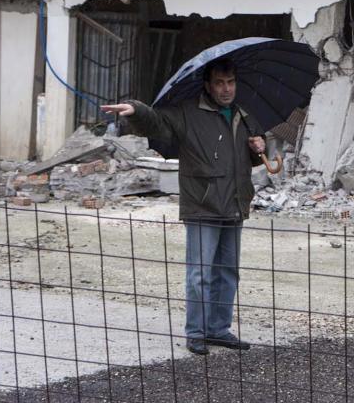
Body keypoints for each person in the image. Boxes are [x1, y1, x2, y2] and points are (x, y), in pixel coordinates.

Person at [101, 57, 264, 356]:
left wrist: (258, 149)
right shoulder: (188, 112)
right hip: (203, 203)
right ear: (208, 85)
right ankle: (197, 332)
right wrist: (136, 109)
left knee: (228, 272)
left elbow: (248, 158)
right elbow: (157, 122)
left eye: (230, 83)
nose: (226, 89)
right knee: (200, 273)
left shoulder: (243, 115)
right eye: (219, 83)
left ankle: (219, 329)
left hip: (235, 203)